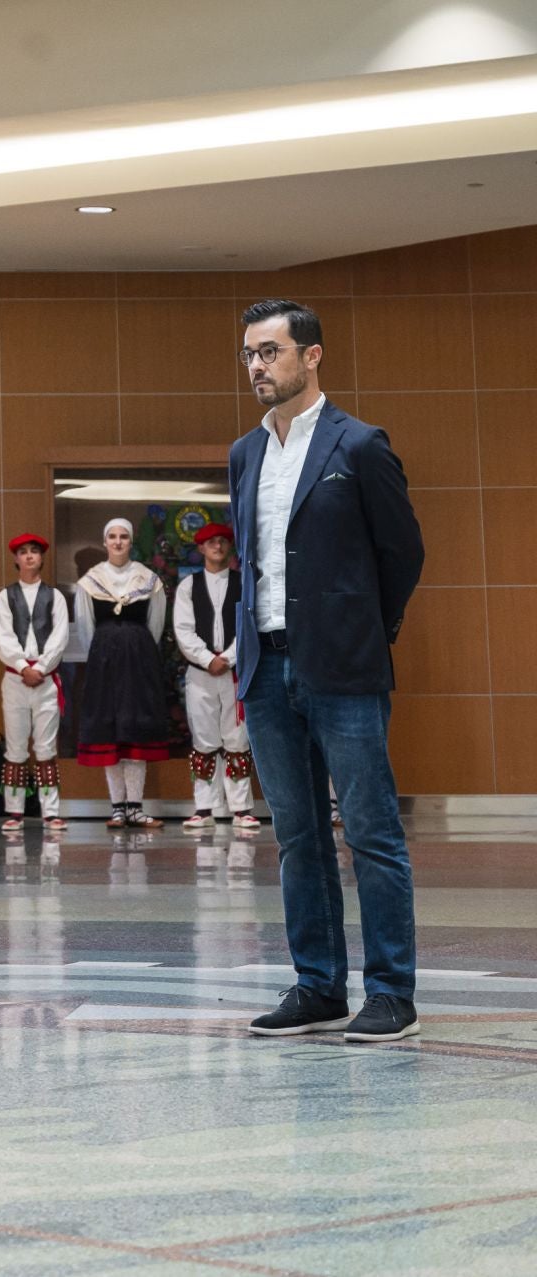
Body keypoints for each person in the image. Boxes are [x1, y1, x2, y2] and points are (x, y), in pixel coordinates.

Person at [230, 299, 424, 1043]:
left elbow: (402, 554)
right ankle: (317, 985)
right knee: (297, 837)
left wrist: (368, 632)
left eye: (270, 351)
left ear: (312, 356)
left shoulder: (361, 445)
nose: (257, 366)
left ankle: (390, 991)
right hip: (267, 667)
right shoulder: (246, 452)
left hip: (344, 669)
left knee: (371, 830)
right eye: (249, 354)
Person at [73, 518, 169, 828]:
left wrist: (135, 647)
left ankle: (135, 807)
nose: (117, 542)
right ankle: (117, 807)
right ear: (105, 542)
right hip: (104, 663)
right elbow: (86, 628)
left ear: (131, 542)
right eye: (112, 537)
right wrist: (106, 649)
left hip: (139, 662)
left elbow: (155, 625)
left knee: (135, 731)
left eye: (123, 537)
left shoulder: (148, 579)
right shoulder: (91, 581)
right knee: (110, 732)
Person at [171, 523, 259, 832]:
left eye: (222, 542)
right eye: (211, 543)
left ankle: (240, 809)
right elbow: (183, 629)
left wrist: (229, 657)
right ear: (201, 549)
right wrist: (208, 659)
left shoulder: (243, 583)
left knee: (236, 737)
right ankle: (204, 807)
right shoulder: (188, 586)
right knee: (204, 738)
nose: (217, 547)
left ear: (229, 547)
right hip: (201, 673)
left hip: (234, 672)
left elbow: (250, 623)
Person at [0, 532, 68, 833]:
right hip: (15, 679)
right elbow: (2, 638)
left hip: (46, 679)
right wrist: (24, 667)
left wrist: (42, 667)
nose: (29, 556)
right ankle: (15, 811)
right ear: (16, 559)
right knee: (16, 746)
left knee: (46, 746)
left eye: (34, 551)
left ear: (42, 557)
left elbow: (60, 637)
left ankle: (51, 812)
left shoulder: (55, 596)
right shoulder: (4, 597)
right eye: (23, 552)